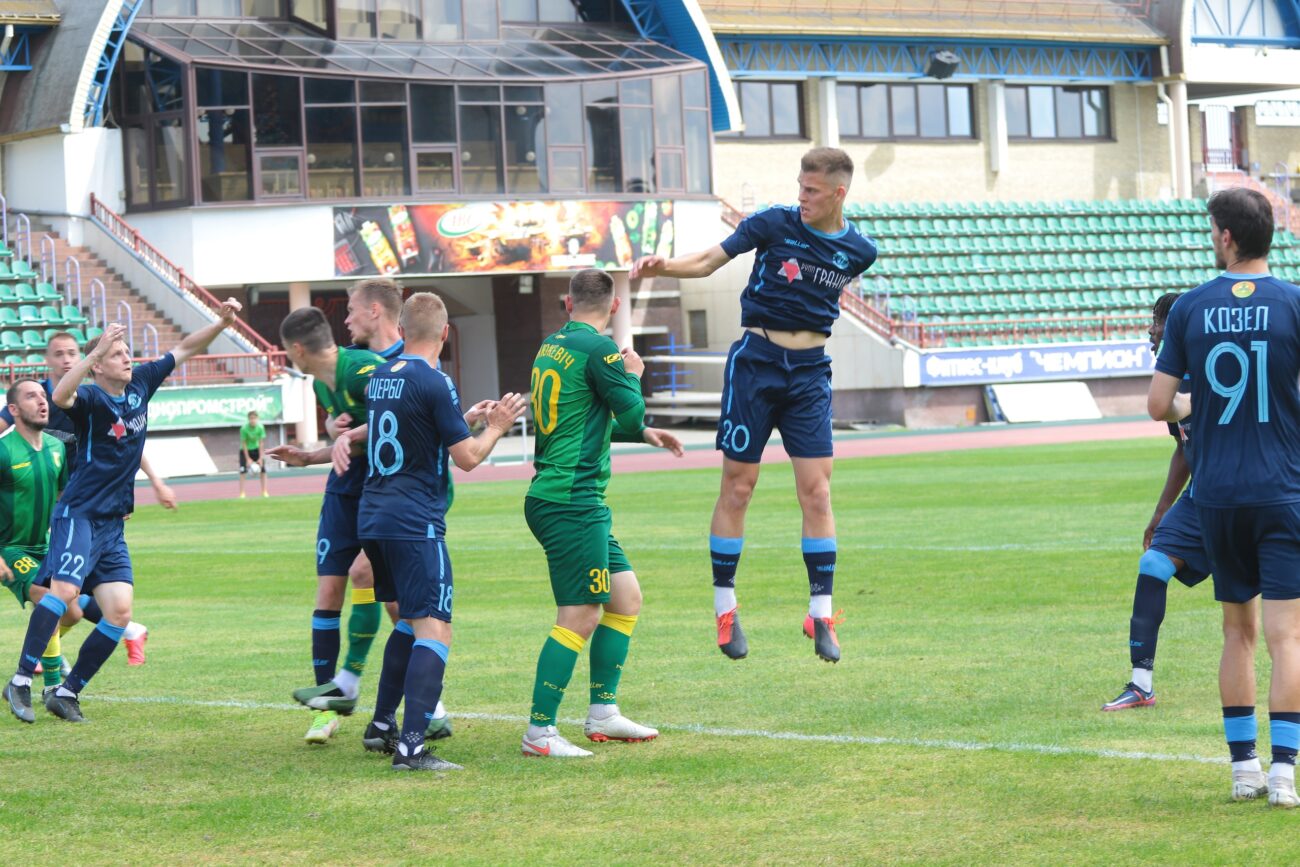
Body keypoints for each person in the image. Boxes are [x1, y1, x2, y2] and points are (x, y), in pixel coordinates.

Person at [631, 147, 877, 663]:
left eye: (811, 190)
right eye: (799, 186)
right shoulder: (771, 223)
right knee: (739, 486)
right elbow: (708, 260)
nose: (801, 197)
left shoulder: (860, 250)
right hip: (756, 365)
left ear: (838, 193)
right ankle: (725, 607)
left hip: (810, 373)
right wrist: (664, 266)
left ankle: (821, 612)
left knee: (818, 493)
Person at [4, 301, 242, 724]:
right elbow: (61, 394)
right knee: (64, 595)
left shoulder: (142, 384)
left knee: (119, 613)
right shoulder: (91, 399)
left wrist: (221, 323)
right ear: (98, 366)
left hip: (112, 524)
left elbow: (186, 348)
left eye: (127, 351)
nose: (128, 357)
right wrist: (93, 354)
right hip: (79, 512)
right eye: (117, 353)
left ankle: (67, 690)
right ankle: (21, 681)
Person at [1148, 187, 1300, 808]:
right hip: (1283, 489)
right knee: (1286, 637)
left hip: (1217, 494)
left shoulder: (1190, 307)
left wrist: (1198, 403)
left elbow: (1161, 405)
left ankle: (1244, 769)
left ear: (1226, 236)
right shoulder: (1294, 303)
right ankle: (1286, 775)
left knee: (1237, 633)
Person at [330, 292, 526, 770]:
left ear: (401, 328)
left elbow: (410, 429)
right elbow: (468, 459)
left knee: (411, 621)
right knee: (436, 628)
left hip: (373, 517)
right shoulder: (436, 381)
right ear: (444, 334)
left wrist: (466, 420)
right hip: (413, 520)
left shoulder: (381, 377)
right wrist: (497, 425)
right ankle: (412, 748)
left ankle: (381, 726)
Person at [520, 268, 683, 759]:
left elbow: (580, 422)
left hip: (563, 493)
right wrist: (633, 376)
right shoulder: (602, 350)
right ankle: (539, 731)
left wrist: (643, 435)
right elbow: (630, 411)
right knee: (582, 612)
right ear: (613, 307)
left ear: (567, 304)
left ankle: (603, 714)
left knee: (625, 597)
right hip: (572, 499)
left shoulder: (552, 345)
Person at [0, 331, 163, 666]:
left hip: (81, 507)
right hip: (54, 519)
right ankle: (50, 671)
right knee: (60, 596)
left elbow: (126, 441)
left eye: (72, 352)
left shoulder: (91, 399)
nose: (66, 359)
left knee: (70, 603)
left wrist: (136, 486)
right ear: (48, 360)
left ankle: (55, 661)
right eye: (58, 354)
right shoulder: (37, 398)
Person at [270, 307, 391, 745]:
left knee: (391, 599)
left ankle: (429, 700)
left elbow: (399, 418)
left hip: (382, 488)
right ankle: (327, 705)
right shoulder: (325, 382)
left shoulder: (363, 370)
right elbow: (346, 437)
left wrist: (347, 434)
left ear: (297, 349)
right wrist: (311, 451)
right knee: (328, 591)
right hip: (343, 490)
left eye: (288, 351)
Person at [1103, 293, 1211, 711]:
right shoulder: (1174, 377)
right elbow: (1184, 447)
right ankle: (1140, 683)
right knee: (1153, 563)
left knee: (1261, 598)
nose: (1151, 328)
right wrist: (1162, 509)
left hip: (1246, 496)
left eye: (1157, 320)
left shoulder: (1206, 371)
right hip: (1201, 497)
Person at [0, 380, 71, 701]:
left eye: (43, 396)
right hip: (11, 548)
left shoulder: (57, 448)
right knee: (48, 598)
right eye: (31, 397)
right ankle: (52, 687)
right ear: (13, 410)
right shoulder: (3, 450)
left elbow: (63, 497)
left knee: (74, 612)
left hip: (45, 547)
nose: (42, 402)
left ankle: (44, 650)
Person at [238, 410, 268, 499]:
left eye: (254, 418)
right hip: (245, 450)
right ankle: (242, 493)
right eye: (251, 418)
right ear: (248, 419)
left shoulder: (260, 428)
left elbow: (261, 443)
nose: (253, 420)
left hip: (256, 450)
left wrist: (260, 457)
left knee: (263, 470)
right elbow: (244, 444)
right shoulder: (244, 429)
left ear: (257, 419)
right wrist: (248, 459)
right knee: (242, 471)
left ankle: (264, 491)